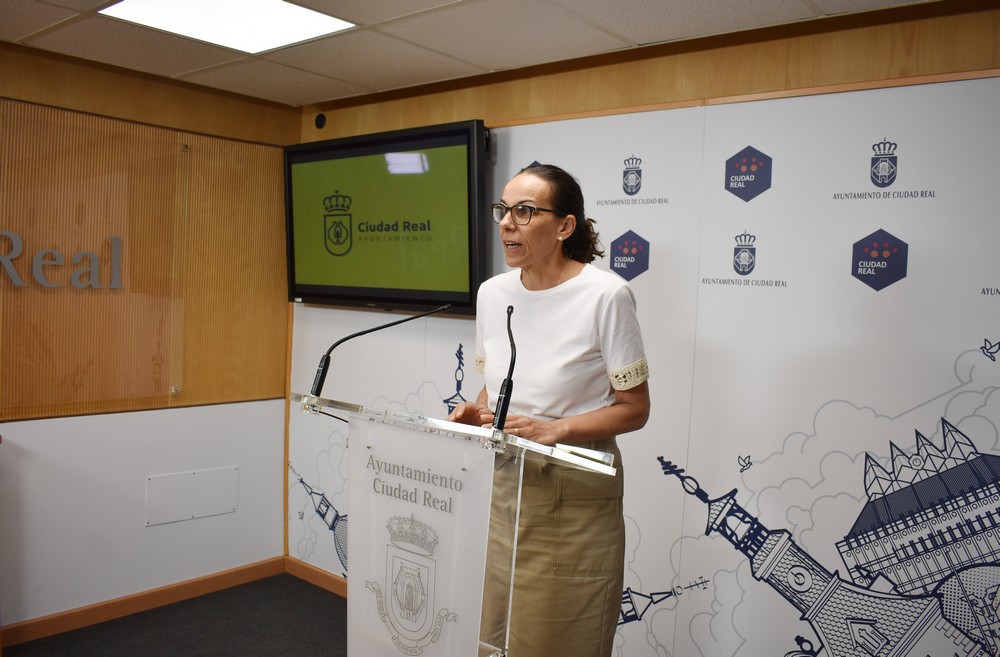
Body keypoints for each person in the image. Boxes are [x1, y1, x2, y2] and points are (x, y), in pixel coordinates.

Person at [447, 163, 650, 657]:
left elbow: (635, 409)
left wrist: (555, 430)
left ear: (564, 226)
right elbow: (491, 390)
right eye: (503, 209)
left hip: (573, 493)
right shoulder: (493, 293)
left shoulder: (606, 295)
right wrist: (477, 413)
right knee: (491, 633)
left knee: (557, 638)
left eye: (524, 211)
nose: (506, 222)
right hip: (502, 489)